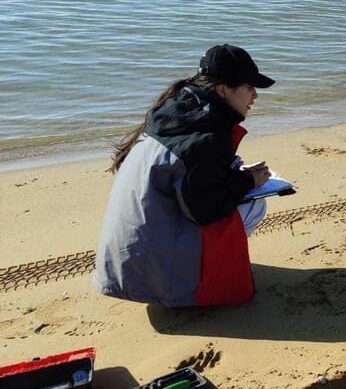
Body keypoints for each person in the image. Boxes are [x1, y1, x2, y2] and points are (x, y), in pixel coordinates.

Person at [93, 44, 275, 307]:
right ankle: (211, 273)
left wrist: (233, 173)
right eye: (249, 87)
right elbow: (205, 210)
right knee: (255, 204)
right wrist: (248, 181)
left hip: (122, 266)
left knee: (235, 182)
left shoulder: (176, 107)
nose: (255, 95)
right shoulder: (208, 135)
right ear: (223, 90)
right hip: (154, 280)